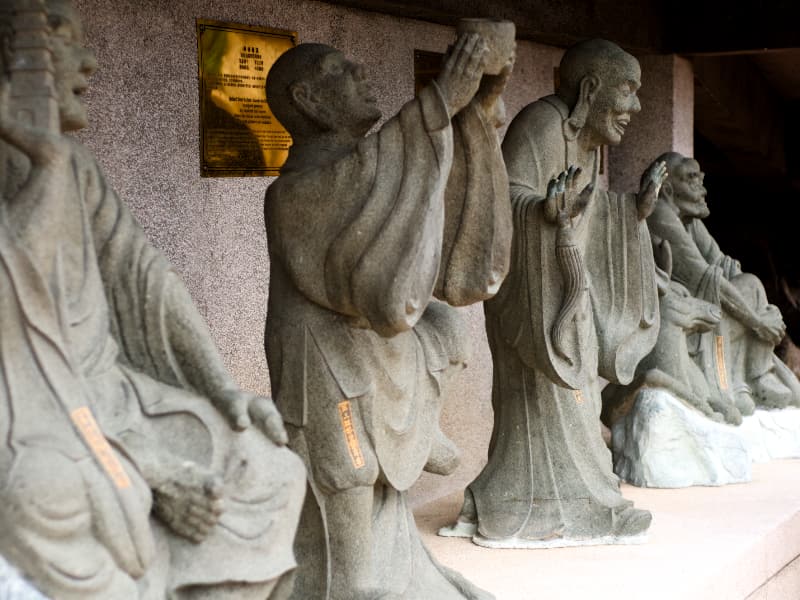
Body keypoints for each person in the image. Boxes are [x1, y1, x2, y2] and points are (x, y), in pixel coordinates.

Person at [0, 2, 304, 598]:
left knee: (269, 467)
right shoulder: (55, 165)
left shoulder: (77, 169)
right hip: (37, 411)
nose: (89, 63)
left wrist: (222, 390)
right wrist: (149, 468)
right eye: (65, 43)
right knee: (67, 500)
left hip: (113, 396)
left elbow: (146, 281)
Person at [264, 32, 513, 599]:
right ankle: (351, 589)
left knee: (444, 326)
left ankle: (423, 431)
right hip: (324, 369)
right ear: (308, 99)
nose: (359, 70)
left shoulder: (368, 168)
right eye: (338, 69)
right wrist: (440, 102)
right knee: (347, 476)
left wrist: (476, 108)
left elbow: (413, 184)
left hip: (376, 354)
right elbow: (386, 170)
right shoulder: (297, 190)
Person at [444, 38, 664, 548]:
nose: (635, 107)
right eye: (627, 91)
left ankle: (581, 497)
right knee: (547, 403)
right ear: (590, 89)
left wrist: (631, 210)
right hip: (534, 300)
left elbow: (592, 208)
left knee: (578, 402)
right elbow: (508, 199)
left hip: (566, 296)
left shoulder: (584, 143)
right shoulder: (540, 124)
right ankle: (538, 507)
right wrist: (546, 211)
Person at [645, 152, 800, 420]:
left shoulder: (690, 220)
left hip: (702, 304)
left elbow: (721, 265)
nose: (701, 188)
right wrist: (757, 322)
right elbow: (706, 278)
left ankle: (754, 378)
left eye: (699, 178)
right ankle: (743, 381)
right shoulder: (660, 214)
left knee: (750, 284)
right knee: (743, 293)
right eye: (691, 179)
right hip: (681, 314)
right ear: (668, 189)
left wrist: (763, 311)